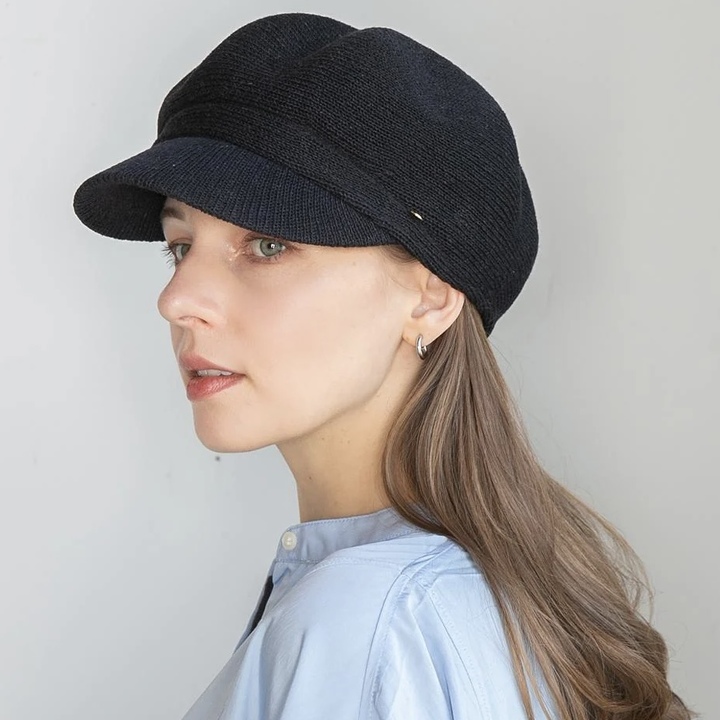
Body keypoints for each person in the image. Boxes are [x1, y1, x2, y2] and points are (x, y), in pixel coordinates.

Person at [72, 11, 694, 720]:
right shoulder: (478, 600)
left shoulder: (364, 624)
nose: (177, 300)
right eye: (181, 247)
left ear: (431, 296)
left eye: (267, 245)